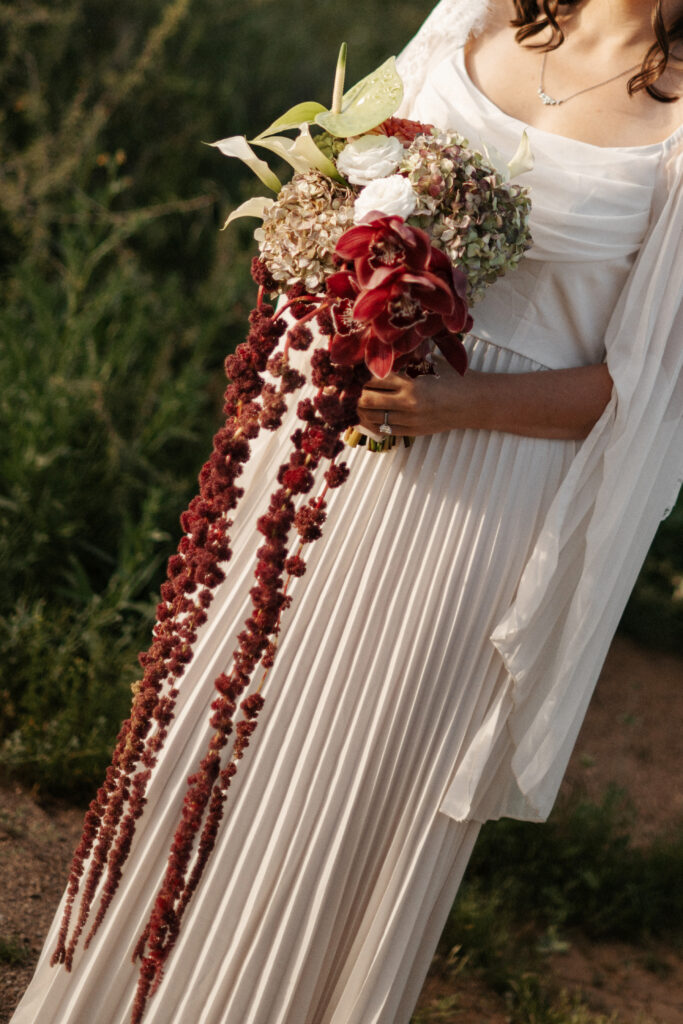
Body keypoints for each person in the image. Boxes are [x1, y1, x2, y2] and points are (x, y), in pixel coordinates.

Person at [11, 1, 682, 1022]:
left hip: (481, 495)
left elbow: (649, 393)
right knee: (223, 728)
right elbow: (341, 187)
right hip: (327, 434)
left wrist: (458, 402)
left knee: (352, 774)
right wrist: (329, 300)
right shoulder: (472, 17)